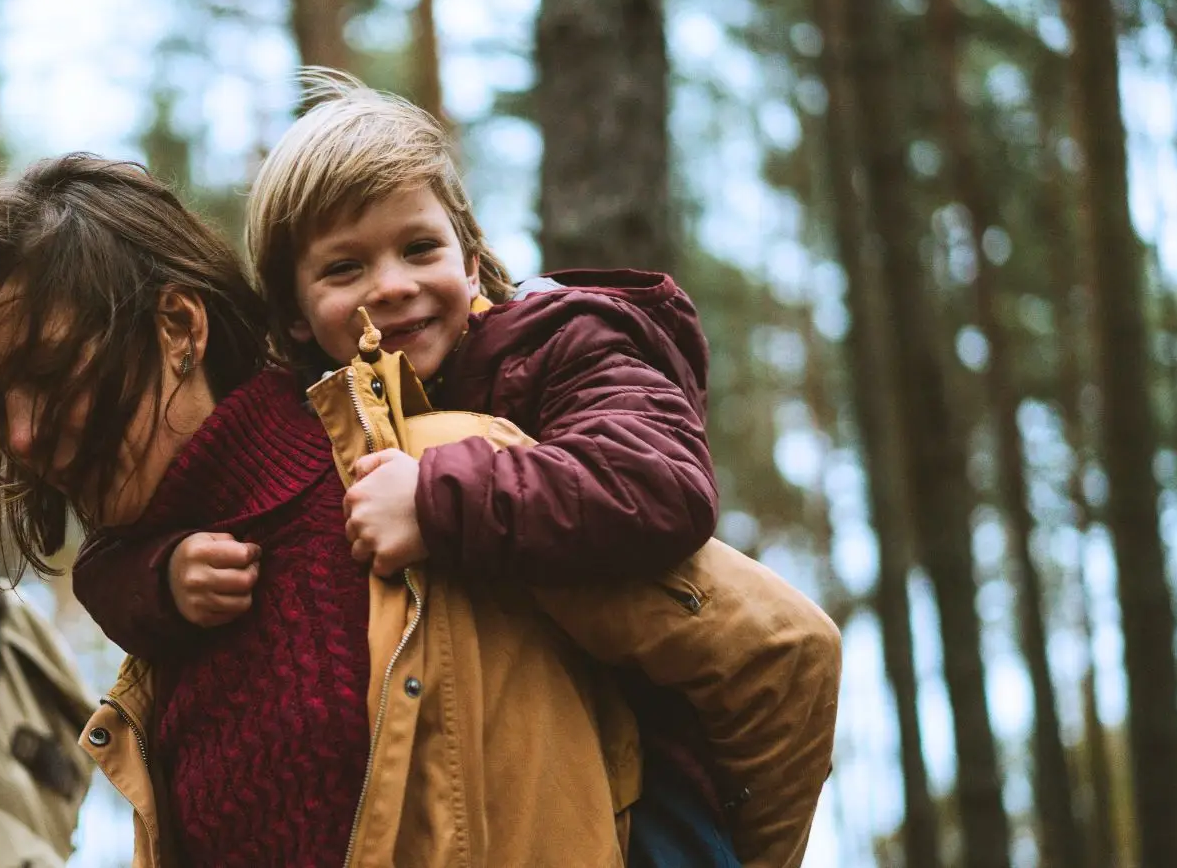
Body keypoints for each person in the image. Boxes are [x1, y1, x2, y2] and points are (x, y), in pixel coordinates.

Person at [80, 71, 841, 868]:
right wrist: (162, 577)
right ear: (295, 314)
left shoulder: (557, 344)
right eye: (345, 269)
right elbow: (115, 545)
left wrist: (437, 501)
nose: (394, 286)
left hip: (641, 781)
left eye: (420, 248)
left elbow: (656, 483)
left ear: (471, 259)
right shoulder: (300, 420)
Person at [0, 154, 642, 867]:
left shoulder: (445, 483)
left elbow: (745, 649)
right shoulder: (162, 615)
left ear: (181, 328)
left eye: (54, 370)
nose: (23, 435)